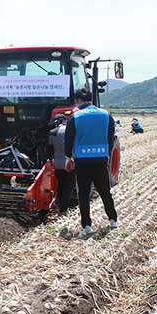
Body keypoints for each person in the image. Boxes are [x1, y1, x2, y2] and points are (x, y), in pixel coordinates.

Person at [65, 88, 119, 239]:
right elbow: (110, 138)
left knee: (84, 194)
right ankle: (113, 220)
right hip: (100, 159)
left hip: (82, 161)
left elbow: (68, 140)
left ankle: (87, 225)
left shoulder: (75, 117)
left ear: (79, 100)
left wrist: (69, 158)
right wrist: (107, 155)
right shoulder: (106, 115)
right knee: (104, 191)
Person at [47, 114, 76, 216]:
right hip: (71, 164)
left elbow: (49, 151)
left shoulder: (52, 133)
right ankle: (63, 210)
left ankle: (60, 206)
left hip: (58, 165)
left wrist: (51, 160)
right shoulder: (72, 130)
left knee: (61, 186)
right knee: (69, 187)